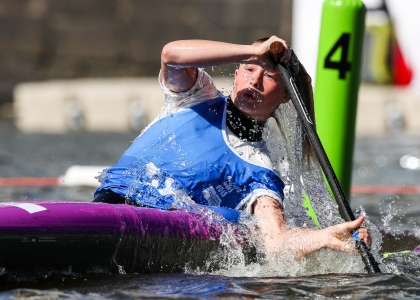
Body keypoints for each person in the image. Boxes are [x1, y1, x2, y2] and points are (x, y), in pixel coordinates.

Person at [93, 36, 371, 258]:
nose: (254, 81)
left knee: (241, 224)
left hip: (152, 234)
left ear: (286, 95)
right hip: (109, 203)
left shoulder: (260, 171)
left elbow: (276, 241)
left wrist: (322, 237)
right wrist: (251, 52)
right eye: (249, 69)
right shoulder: (195, 96)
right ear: (236, 73)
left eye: (270, 76)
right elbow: (171, 55)